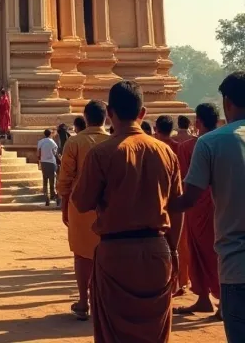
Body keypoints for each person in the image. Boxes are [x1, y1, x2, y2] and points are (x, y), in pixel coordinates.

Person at [73, 80, 183, 343]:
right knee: (155, 333)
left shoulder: (102, 154)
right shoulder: (166, 152)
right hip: (158, 251)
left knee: (114, 335)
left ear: (110, 113)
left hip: (116, 254)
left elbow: (81, 202)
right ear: (142, 113)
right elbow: (177, 209)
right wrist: (174, 250)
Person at [171, 72, 245, 343]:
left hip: (237, 265)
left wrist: (155, 205)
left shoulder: (210, 143)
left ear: (227, 102)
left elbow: (189, 198)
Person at [57, 100, 109, 321]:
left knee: (81, 255)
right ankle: (104, 302)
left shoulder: (75, 142)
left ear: (85, 117)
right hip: (109, 207)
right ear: (106, 117)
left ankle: (83, 301)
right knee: (109, 254)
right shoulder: (115, 141)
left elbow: (65, 178)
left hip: (80, 206)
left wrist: (64, 205)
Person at [174, 102, 220, 316]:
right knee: (216, 253)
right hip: (220, 205)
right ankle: (210, 299)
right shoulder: (225, 141)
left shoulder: (188, 148)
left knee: (201, 252)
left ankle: (210, 298)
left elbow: (184, 180)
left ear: (197, 122)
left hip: (195, 206)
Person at [154, 115, 189, 294]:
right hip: (178, 199)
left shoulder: (154, 149)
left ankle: (168, 281)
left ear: (156, 129)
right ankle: (180, 280)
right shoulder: (178, 147)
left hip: (159, 201)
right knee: (179, 243)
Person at [37, 129, 60, 206]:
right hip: (51, 163)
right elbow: (55, 153)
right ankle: (55, 197)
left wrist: (40, 161)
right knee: (52, 181)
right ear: (50, 134)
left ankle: (46, 197)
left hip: (43, 162)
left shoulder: (40, 142)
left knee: (45, 180)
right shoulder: (52, 142)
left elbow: (38, 153)